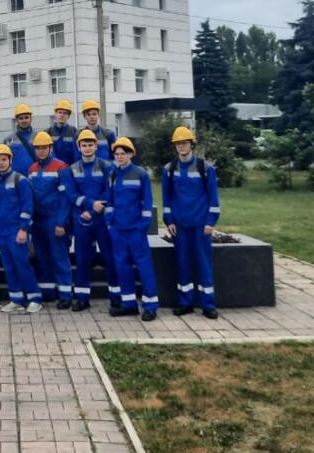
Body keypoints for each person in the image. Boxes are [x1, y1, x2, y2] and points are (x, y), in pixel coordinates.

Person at [162, 126, 222, 319]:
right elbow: (166, 198)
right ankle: (185, 303)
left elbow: (213, 197)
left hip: (201, 225)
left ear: (191, 144)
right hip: (180, 226)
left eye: (184, 143)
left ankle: (208, 305)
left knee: (204, 264)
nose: (181, 146)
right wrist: (169, 220)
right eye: (178, 143)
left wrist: (210, 221)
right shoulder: (169, 169)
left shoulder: (205, 168)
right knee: (183, 264)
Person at [63, 129, 120, 312]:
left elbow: (109, 191)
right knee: (82, 260)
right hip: (82, 220)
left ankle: (116, 297)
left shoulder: (107, 166)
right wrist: (90, 205)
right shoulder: (71, 169)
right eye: (84, 145)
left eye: (90, 144)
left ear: (96, 146)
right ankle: (82, 298)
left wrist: (94, 211)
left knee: (109, 258)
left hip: (102, 220)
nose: (87, 148)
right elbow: (71, 194)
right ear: (79, 147)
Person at [104, 137, 159, 322]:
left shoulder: (140, 174)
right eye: (117, 154)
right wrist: (109, 222)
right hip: (118, 230)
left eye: (123, 153)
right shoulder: (112, 174)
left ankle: (150, 306)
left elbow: (147, 201)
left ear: (130, 154)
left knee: (144, 267)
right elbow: (109, 201)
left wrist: (142, 225)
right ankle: (129, 305)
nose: (119, 157)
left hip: (136, 230)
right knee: (122, 267)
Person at [0, 144, 41, 314]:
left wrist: (23, 229)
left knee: (22, 265)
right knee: (9, 266)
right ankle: (16, 299)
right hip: (2, 231)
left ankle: (34, 299)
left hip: (16, 231)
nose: (1, 163)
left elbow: (28, 206)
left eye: (4, 159)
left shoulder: (21, 180)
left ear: (10, 160)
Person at [28, 131, 72, 308]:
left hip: (54, 219)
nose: (41, 151)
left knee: (59, 257)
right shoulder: (32, 169)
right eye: (38, 148)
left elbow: (66, 197)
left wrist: (61, 222)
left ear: (50, 148)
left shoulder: (61, 167)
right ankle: (47, 292)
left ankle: (65, 295)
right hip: (38, 220)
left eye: (44, 147)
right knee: (42, 257)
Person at [4, 103, 38, 174]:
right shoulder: (8, 140)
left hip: (34, 176)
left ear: (31, 118)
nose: (24, 120)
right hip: (15, 177)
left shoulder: (38, 137)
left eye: (26, 117)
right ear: (16, 120)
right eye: (21, 118)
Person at [47, 99, 78, 166]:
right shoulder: (48, 132)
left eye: (65, 113)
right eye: (60, 112)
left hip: (69, 167)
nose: (62, 115)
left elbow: (77, 153)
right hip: (54, 167)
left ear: (68, 116)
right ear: (55, 114)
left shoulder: (74, 131)